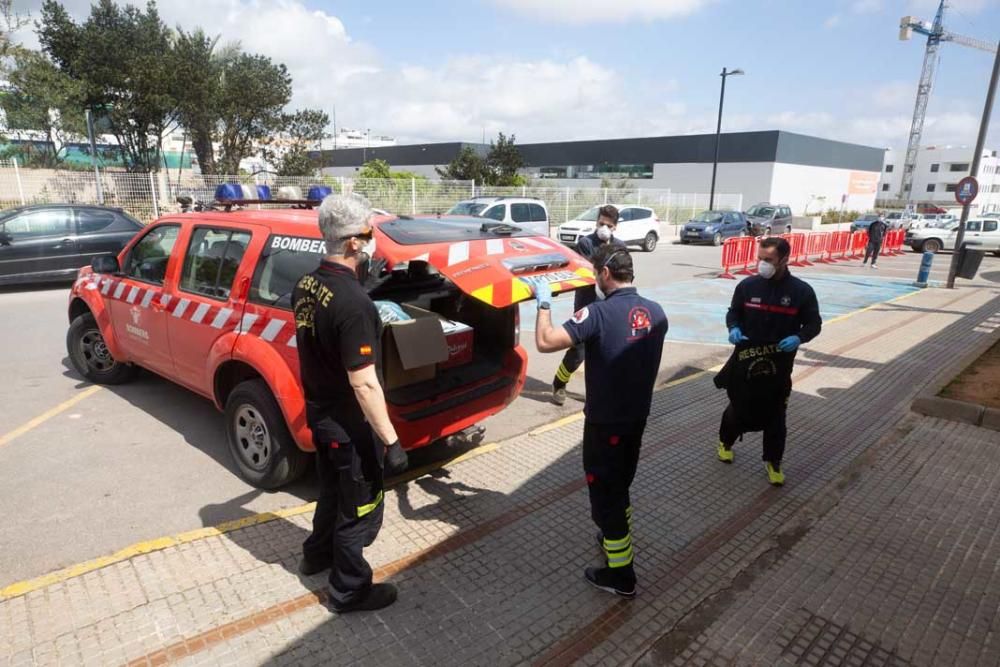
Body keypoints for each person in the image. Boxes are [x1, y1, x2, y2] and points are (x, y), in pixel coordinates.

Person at [529, 245, 667, 598]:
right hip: (636, 418)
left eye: (595, 273)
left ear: (605, 273)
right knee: (619, 487)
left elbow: (546, 342)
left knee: (606, 495)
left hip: (606, 424)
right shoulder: (656, 313)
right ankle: (611, 536)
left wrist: (544, 304)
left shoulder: (597, 314)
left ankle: (621, 575)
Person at [292, 195, 408, 613]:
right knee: (358, 509)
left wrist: (360, 289)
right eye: (370, 232)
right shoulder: (353, 303)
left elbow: (325, 328)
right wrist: (392, 441)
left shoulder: (307, 283)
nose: (375, 239)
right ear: (355, 243)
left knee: (331, 492)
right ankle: (348, 590)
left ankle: (315, 555)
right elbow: (363, 383)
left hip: (320, 416)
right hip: (348, 423)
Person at [715, 237, 822, 486]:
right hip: (745, 361)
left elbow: (814, 323)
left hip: (778, 366)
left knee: (776, 416)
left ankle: (773, 461)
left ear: (784, 260)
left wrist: (799, 336)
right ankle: (725, 441)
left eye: (768, 260)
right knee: (739, 408)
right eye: (760, 258)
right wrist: (733, 327)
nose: (762, 264)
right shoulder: (747, 286)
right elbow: (734, 312)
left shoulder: (801, 292)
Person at [551, 204, 626, 406]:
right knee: (578, 353)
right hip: (587, 306)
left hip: (610, 308)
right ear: (596, 222)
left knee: (605, 353)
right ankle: (559, 383)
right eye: (601, 223)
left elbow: (623, 274)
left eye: (608, 225)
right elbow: (590, 271)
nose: (603, 228)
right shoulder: (586, 244)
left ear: (615, 227)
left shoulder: (620, 246)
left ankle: (598, 391)